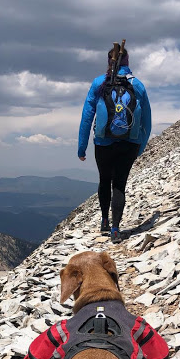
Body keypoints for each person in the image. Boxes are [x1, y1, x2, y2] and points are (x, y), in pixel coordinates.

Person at [78, 46, 151, 243]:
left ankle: (104, 221)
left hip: (103, 142)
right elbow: (147, 121)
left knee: (104, 180)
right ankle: (116, 229)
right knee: (119, 184)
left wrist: (81, 147)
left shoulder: (99, 83)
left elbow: (87, 116)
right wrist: (140, 147)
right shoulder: (138, 85)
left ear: (108, 62)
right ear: (127, 62)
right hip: (130, 142)